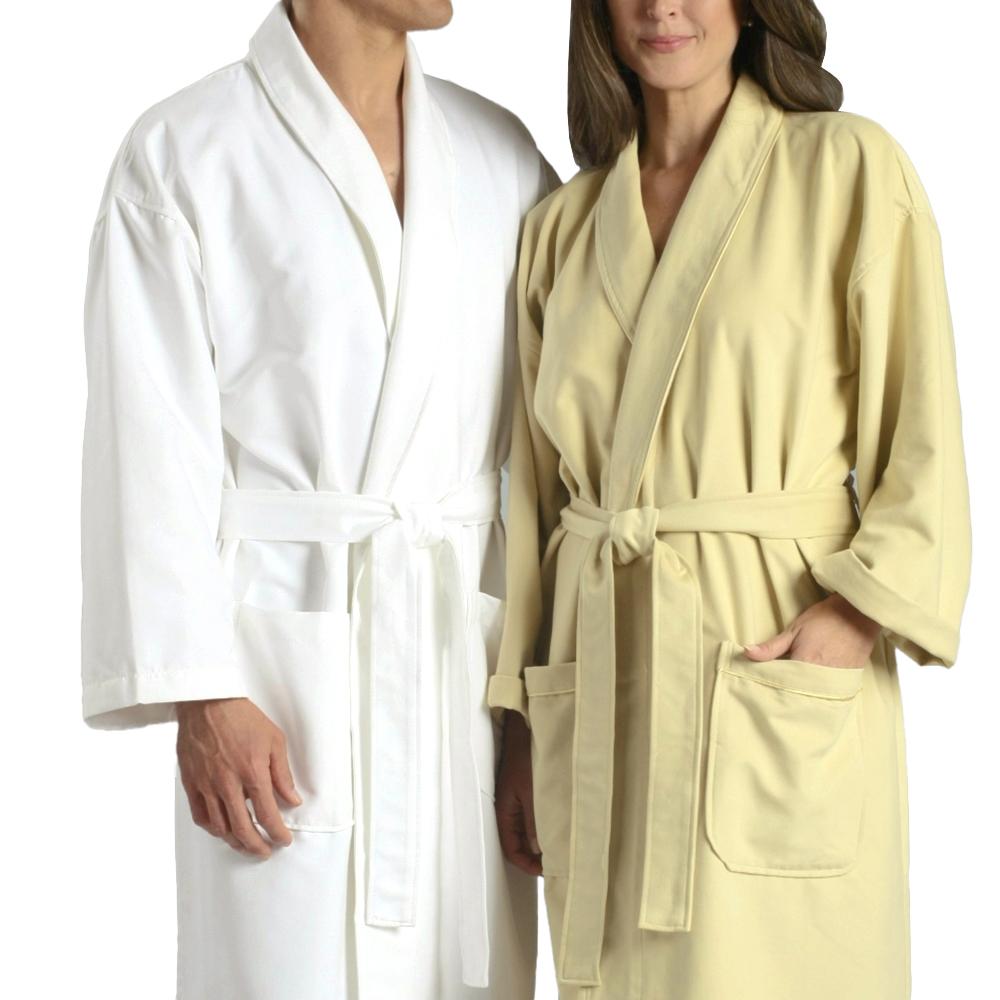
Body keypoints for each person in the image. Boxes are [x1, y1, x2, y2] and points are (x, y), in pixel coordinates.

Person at [488, 1, 971, 998]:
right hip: (599, 683)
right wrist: (522, 723)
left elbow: (922, 439)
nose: (661, 7)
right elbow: (528, 500)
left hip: (763, 660)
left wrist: (854, 615)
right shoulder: (561, 228)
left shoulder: (845, 169)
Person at [79, 1, 557, 997]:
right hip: (278, 683)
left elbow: (552, 447)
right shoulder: (183, 155)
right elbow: (148, 441)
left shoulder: (502, 156)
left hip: (462, 685)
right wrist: (204, 693)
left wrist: (528, 715)